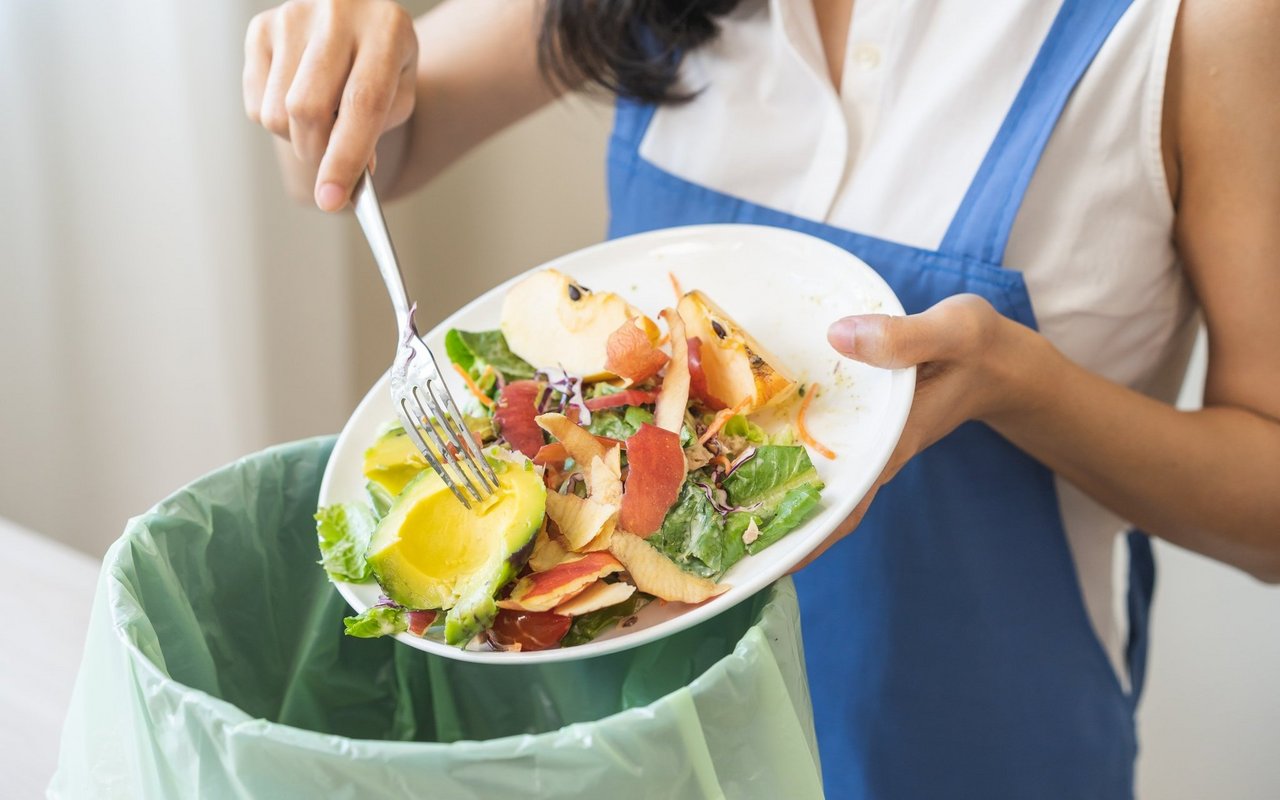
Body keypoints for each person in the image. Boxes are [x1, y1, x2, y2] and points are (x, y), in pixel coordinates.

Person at [243, 1, 1280, 797]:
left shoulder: (1204, 27)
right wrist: (339, 62)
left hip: (970, 745)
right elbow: (361, 155)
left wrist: (1025, 388)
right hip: (639, 746)